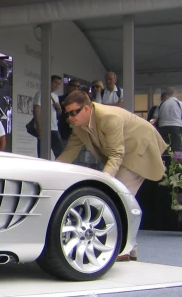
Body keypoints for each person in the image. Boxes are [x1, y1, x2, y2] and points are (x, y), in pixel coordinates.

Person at [57, 90, 167, 260]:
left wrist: (104, 181)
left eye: (74, 112)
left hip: (140, 149)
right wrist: (53, 170)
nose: (70, 117)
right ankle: (129, 249)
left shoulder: (108, 117)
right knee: (120, 198)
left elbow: (116, 153)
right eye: (68, 114)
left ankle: (124, 249)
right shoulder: (78, 125)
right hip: (123, 153)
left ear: (87, 109)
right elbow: (70, 152)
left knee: (118, 197)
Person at [33, 75, 65, 158]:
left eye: (59, 84)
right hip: (44, 128)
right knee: (43, 154)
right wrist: (39, 127)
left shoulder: (55, 97)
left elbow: (59, 114)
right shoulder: (40, 93)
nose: (57, 85)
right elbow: (36, 110)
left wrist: (59, 108)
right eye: (55, 83)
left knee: (61, 154)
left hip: (54, 128)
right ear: (50, 82)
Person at [156, 86, 182, 152]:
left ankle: (165, 159)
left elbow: (156, 117)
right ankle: (176, 160)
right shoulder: (179, 103)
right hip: (176, 127)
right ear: (175, 93)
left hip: (162, 127)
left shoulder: (161, 104)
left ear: (167, 94)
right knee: (176, 147)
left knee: (164, 146)